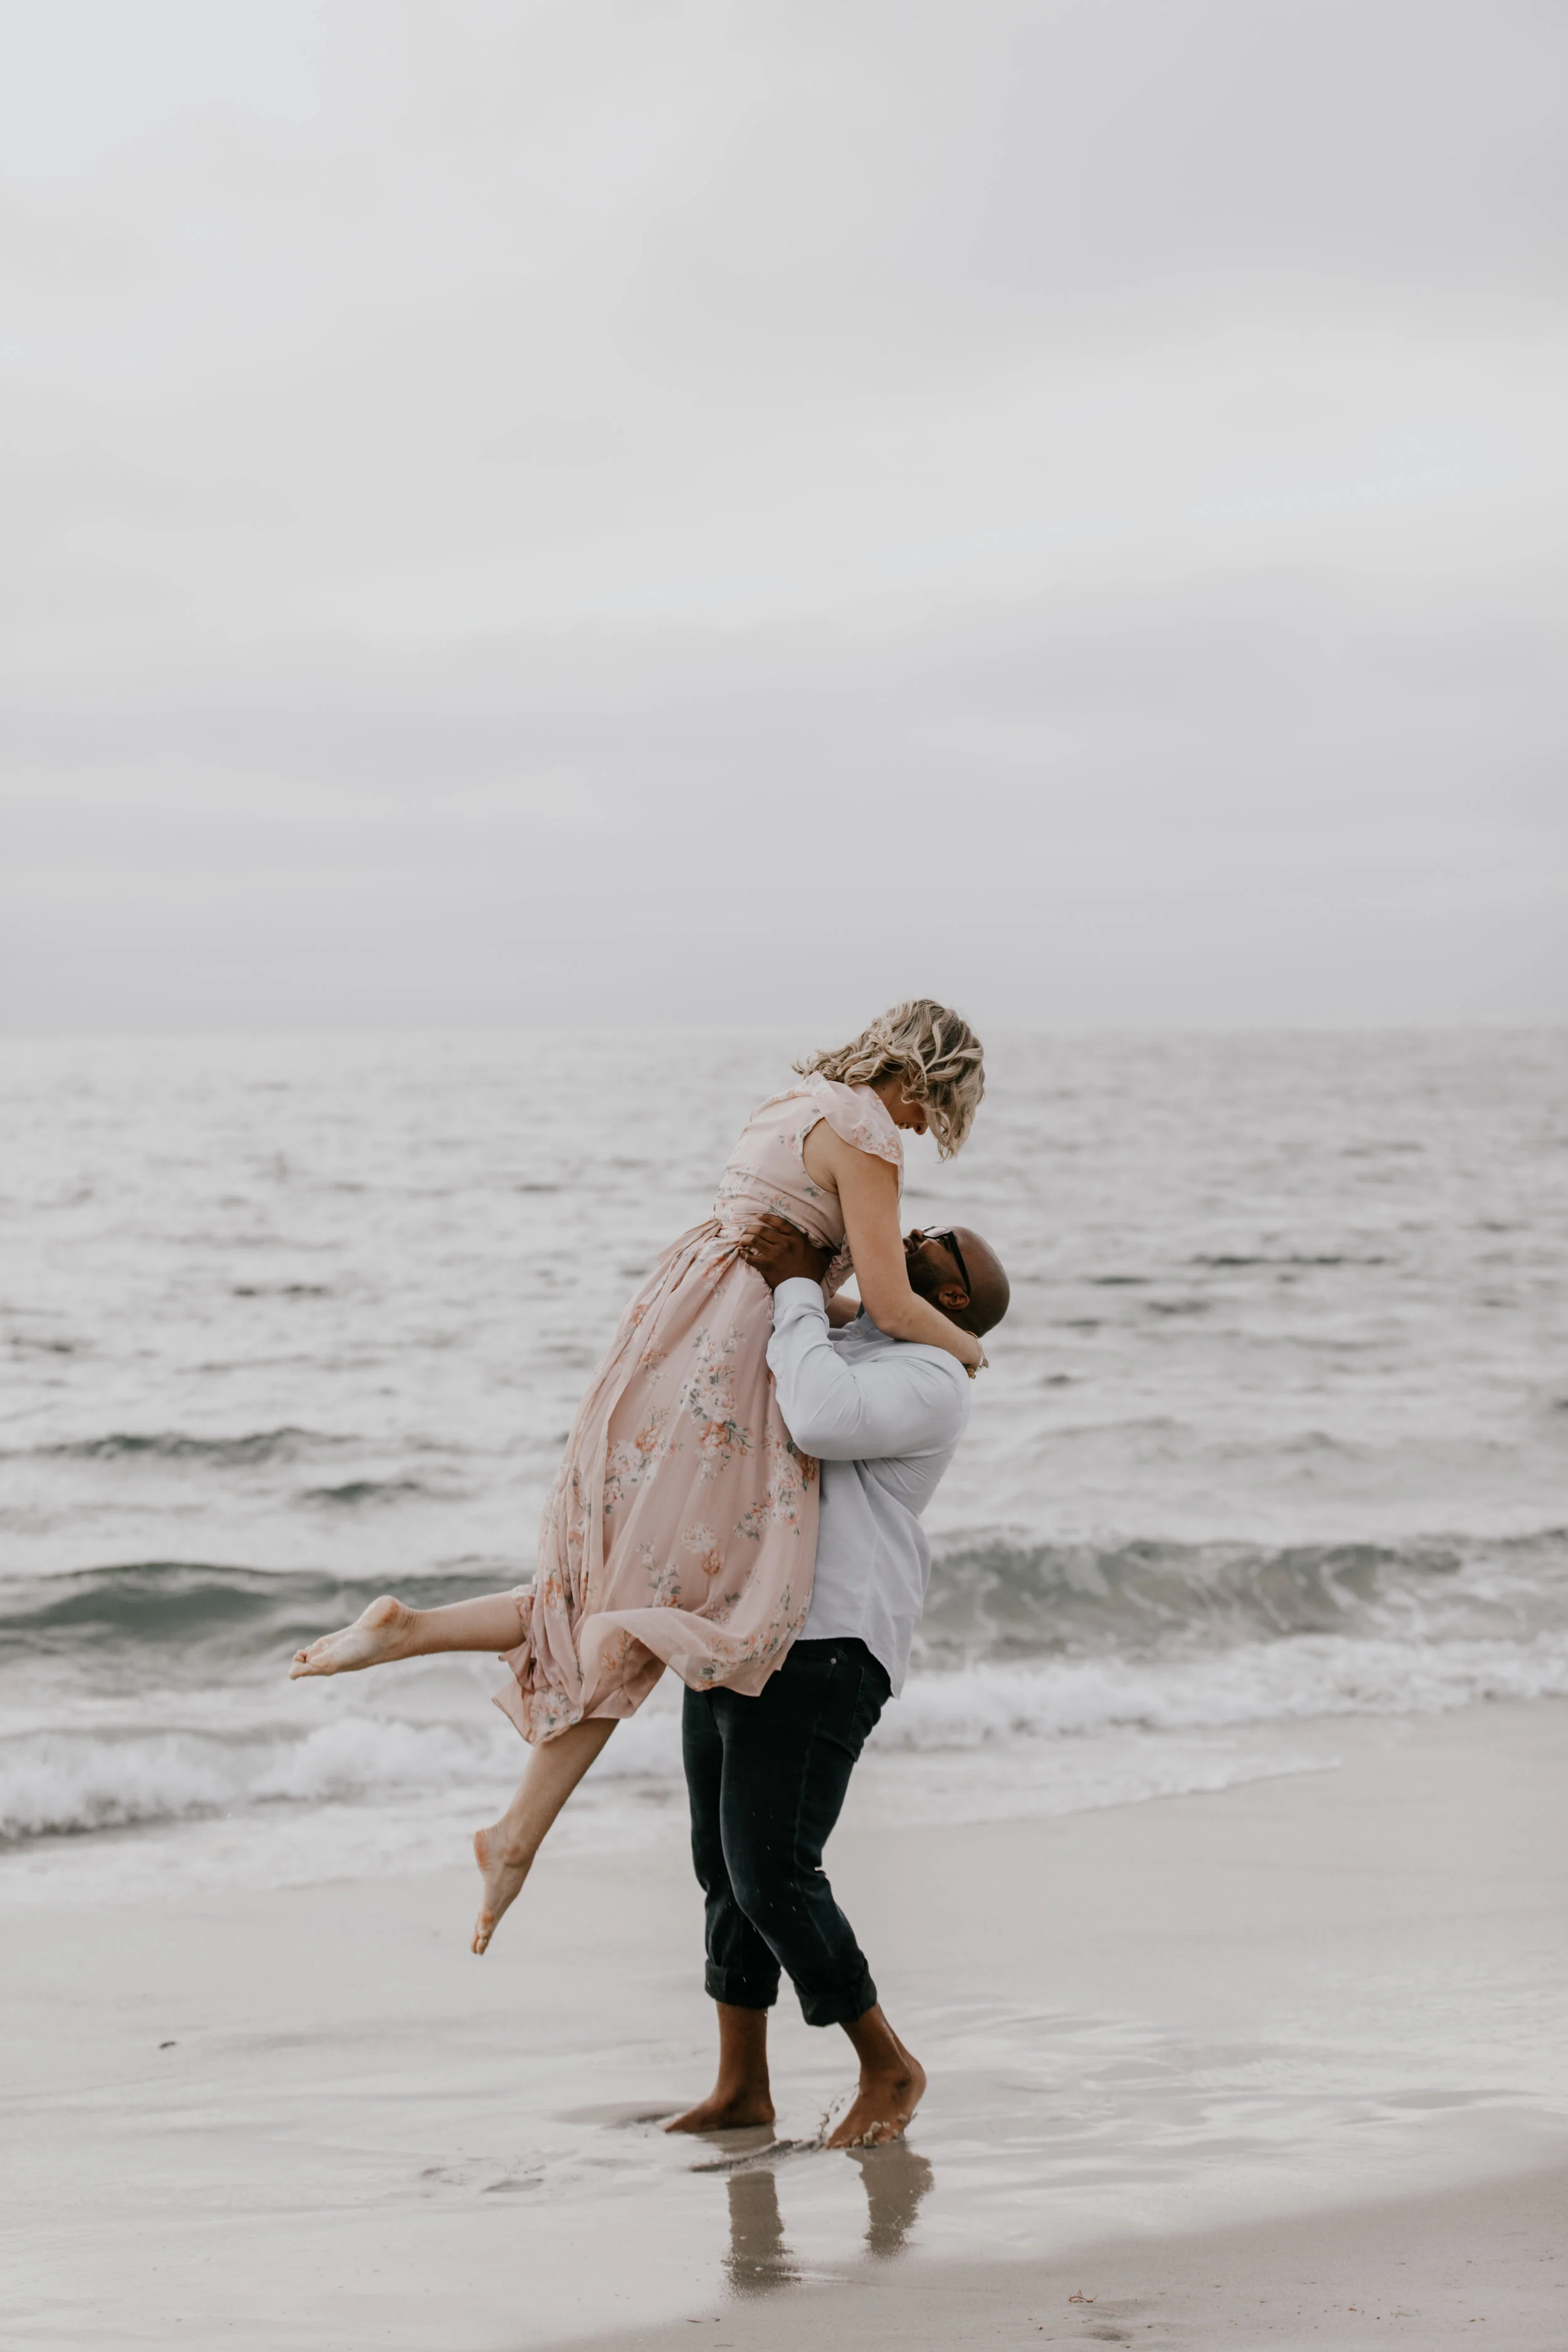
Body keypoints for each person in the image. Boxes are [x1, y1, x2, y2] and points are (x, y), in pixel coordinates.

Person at [288, 1001, 988, 1955]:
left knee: (619, 1571)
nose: (917, 1132)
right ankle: (512, 1827)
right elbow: (896, 1300)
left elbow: (813, 1274)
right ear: (918, 1079)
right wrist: (966, 1349)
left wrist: (832, 1302)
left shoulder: (790, 1103)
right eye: (931, 1112)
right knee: (674, 1593)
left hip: (677, 1326)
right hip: (735, 1361)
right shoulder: (867, 1135)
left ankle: (430, 1655)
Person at [666, 1206, 1009, 2149]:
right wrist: (803, 1278)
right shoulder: (856, 1330)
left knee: (772, 1868)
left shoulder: (934, 1376)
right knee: (722, 1867)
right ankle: (743, 2086)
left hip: (829, 1642)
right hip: (742, 1622)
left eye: (937, 1243)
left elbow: (815, 1418)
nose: (915, 1231)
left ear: (950, 1299)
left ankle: (888, 2063)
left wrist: (797, 1290)